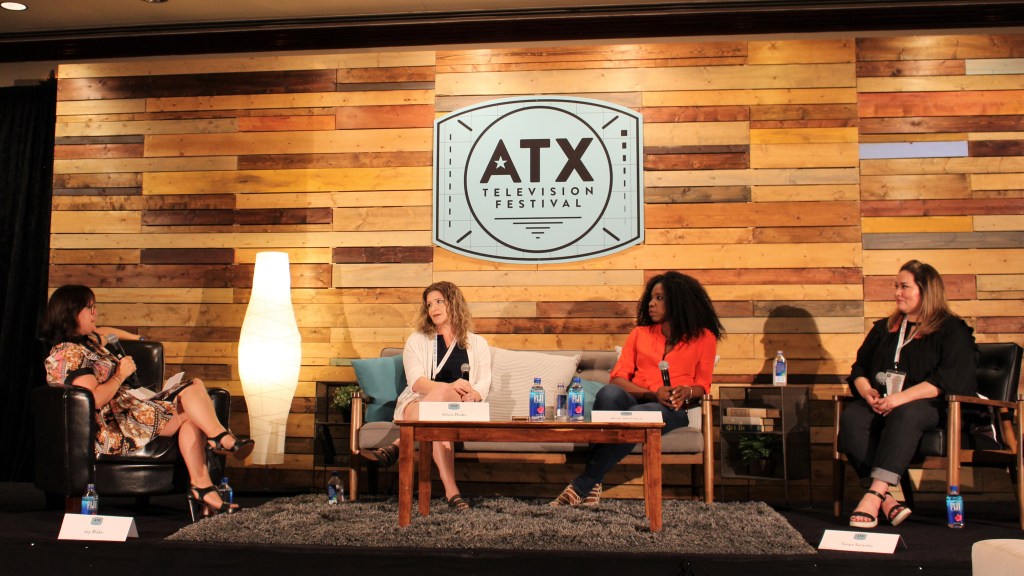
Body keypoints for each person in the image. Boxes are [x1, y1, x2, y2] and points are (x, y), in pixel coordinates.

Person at [41, 285, 255, 521]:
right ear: (71, 312)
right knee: (193, 388)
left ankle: (203, 488)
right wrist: (120, 375)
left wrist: (138, 339)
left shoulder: (89, 340)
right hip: (113, 426)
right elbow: (93, 400)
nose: (95, 313)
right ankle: (222, 440)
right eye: (90, 307)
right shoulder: (69, 352)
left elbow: (106, 331)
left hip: (130, 411)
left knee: (192, 414)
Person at [551, 271, 723, 507]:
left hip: (671, 410)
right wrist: (652, 393)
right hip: (638, 400)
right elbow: (618, 379)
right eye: (651, 298)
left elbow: (703, 385)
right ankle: (590, 485)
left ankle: (585, 484)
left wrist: (686, 391)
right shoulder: (640, 334)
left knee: (649, 413)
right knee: (608, 394)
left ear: (679, 302)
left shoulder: (704, 338)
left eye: (660, 298)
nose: (651, 303)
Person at [839, 260, 977, 529]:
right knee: (853, 416)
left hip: (934, 408)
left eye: (904, 286)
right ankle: (889, 501)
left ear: (926, 291)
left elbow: (948, 380)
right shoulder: (884, 328)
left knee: (906, 411)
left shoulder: (951, 330)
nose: (897, 293)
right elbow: (859, 368)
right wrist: (867, 392)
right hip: (884, 403)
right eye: (896, 286)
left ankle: (875, 493)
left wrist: (899, 398)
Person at [372, 281, 491, 510]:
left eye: (439, 302)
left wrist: (474, 394)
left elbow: (483, 381)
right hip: (417, 403)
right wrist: (446, 387)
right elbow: (416, 382)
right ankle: (453, 494)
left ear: (453, 303)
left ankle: (399, 442)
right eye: (429, 304)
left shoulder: (478, 343)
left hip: (458, 407)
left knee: (444, 402)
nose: (433, 308)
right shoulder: (417, 340)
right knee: (438, 425)